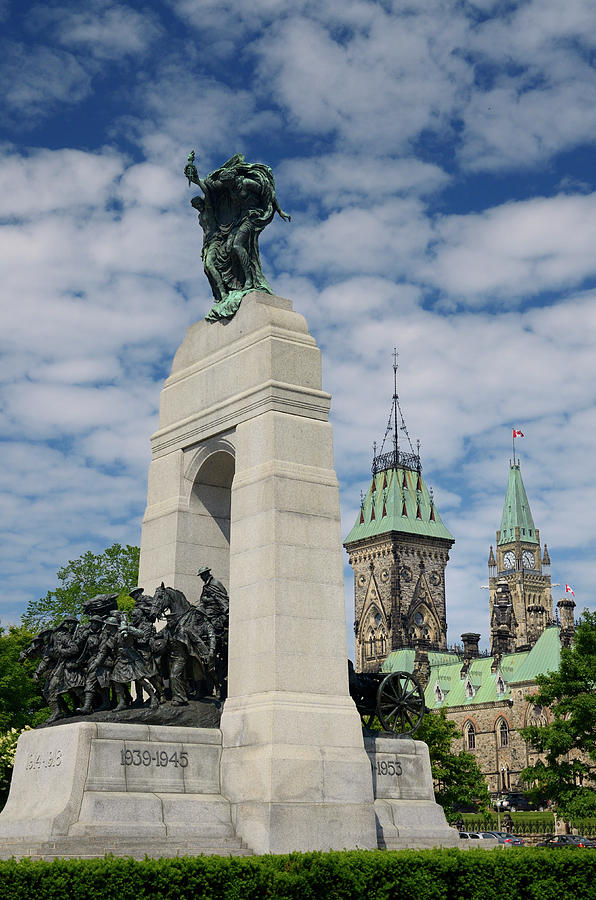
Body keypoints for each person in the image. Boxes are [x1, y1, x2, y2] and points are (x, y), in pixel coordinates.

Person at [197, 565, 229, 700]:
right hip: (207, 612)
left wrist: (207, 601)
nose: (202, 577)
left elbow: (222, 599)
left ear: (208, 573)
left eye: (204, 574)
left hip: (215, 613)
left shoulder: (215, 583)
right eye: (201, 575)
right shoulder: (206, 586)